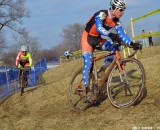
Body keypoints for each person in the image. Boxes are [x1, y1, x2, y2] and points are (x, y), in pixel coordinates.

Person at [80, 0, 142, 102]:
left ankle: (102, 70)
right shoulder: (102, 14)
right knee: (88, 62)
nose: (122, 12)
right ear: (113, 8)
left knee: (116, 47)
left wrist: (132, 44)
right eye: (121, 10)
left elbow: (122, 35)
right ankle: (87, 92)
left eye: (124, 10)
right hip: (87, 39)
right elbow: (99, 28)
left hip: (98, 39)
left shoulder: (116, 21)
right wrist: (111, 35)